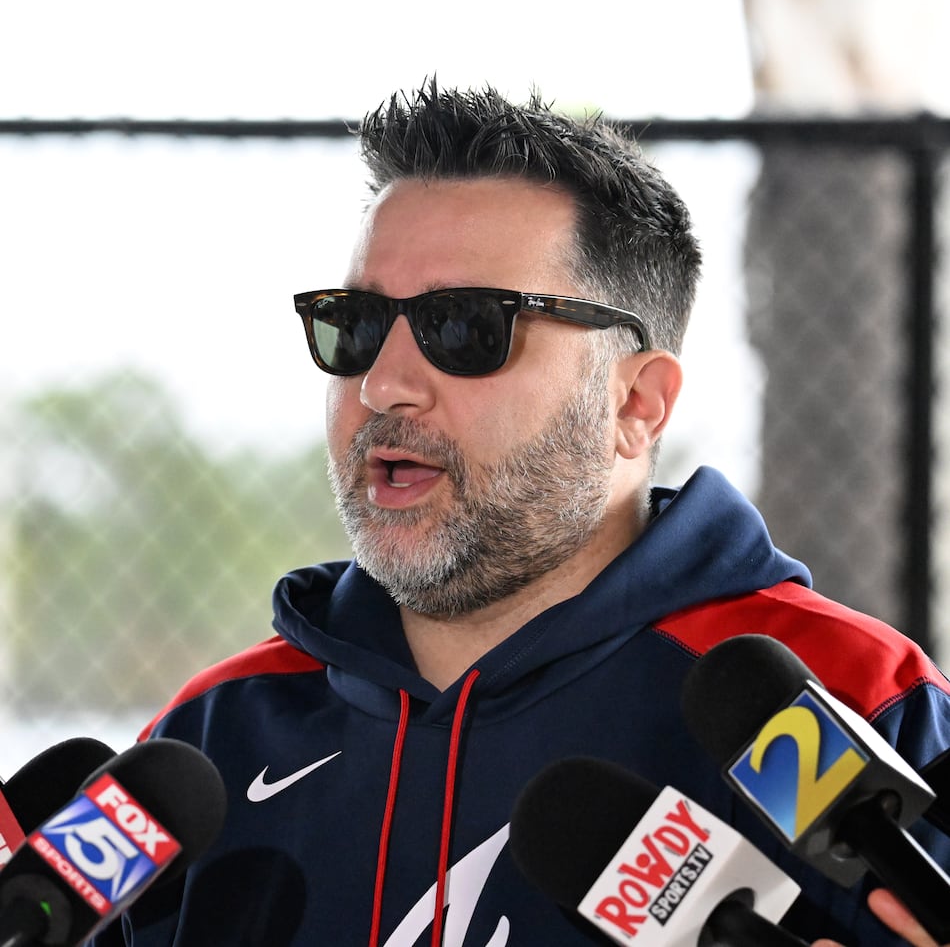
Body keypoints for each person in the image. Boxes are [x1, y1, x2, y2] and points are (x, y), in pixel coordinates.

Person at [90, 80, 950, 946]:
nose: (382, 385)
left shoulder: (852, 709)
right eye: (354, 324)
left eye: (465, 328)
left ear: (636, 404)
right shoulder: (203, 747)